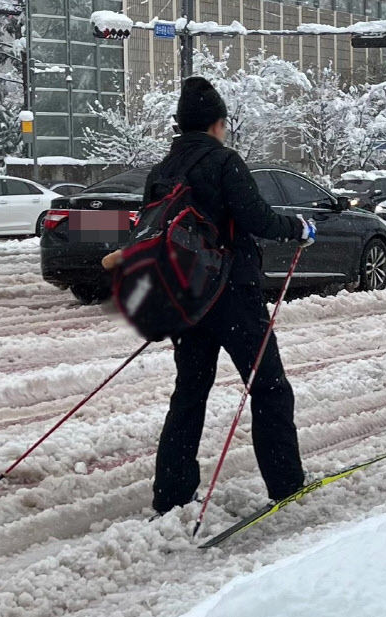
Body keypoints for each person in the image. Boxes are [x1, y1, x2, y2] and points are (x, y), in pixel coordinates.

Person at [103, 77, 316, 515]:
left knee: (189, 392)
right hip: (233, 294)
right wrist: (298, 229)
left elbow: (147, 229)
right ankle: (286, 484)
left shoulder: (162, 170)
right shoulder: (224, 162)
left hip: (186, 299)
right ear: (218, 123)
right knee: (268, 387)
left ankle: (172, 494)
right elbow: (255, 218)